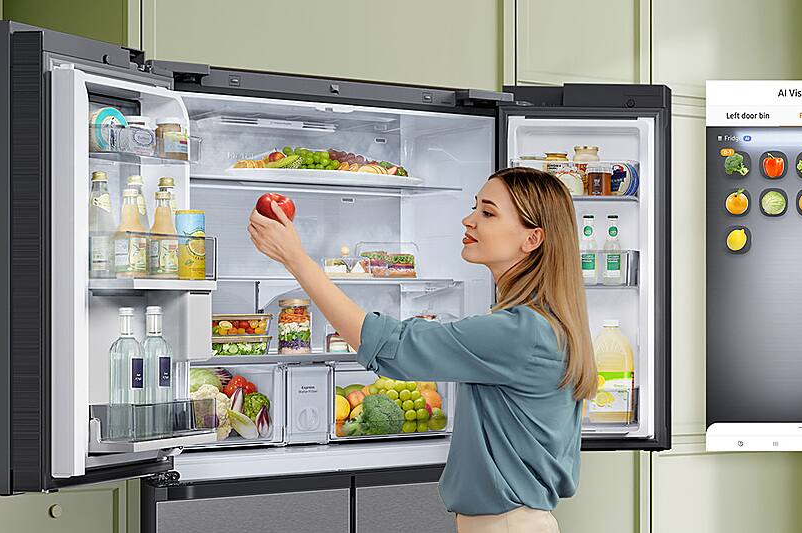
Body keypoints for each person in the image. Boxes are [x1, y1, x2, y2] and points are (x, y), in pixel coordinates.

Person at [248, 167, 596, 533]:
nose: (469, 219)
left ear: (532, 238)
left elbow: (389, 346)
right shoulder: (541, 323)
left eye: (488, 213)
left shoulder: (519, 332)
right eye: (474, 207)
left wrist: (297, 260)